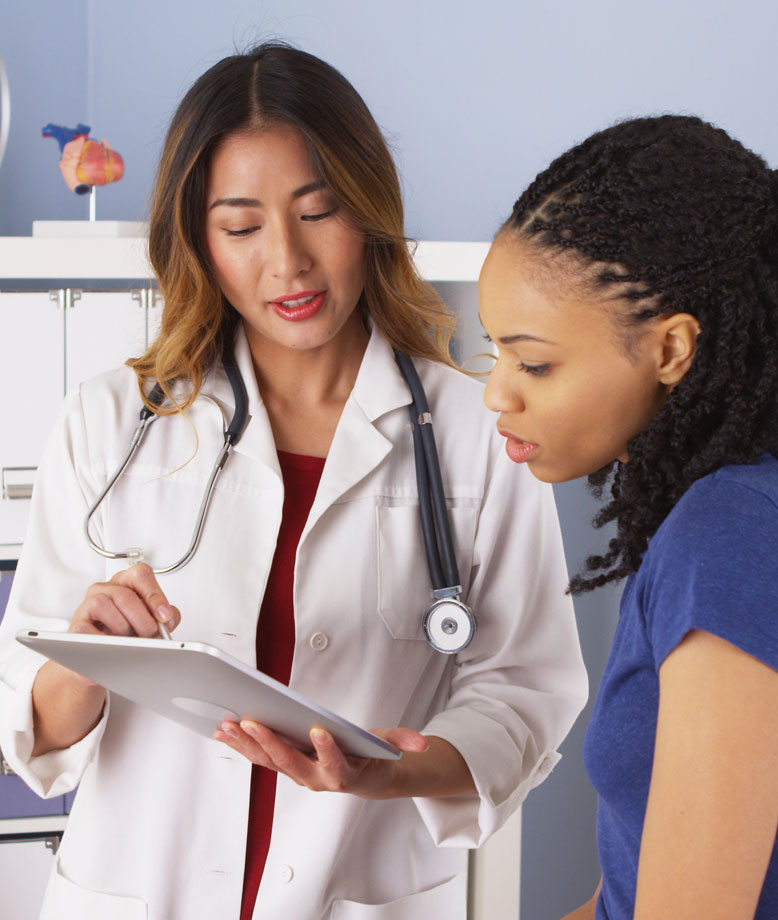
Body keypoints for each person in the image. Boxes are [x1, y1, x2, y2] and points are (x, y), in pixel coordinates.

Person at [0, 43, 587, 920]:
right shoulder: (111, 422)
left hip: (361, 890)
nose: (288, 263)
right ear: (197, 239)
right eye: (241, 227)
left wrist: (394, 771)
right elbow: (30, 725)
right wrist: (88, 654)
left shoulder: (476, 432)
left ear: (371, 211)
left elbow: (526, 686)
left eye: (320, 212)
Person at [478, 114, 778, 920]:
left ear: (673, 350)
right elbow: (627, 895)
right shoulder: (716, 514)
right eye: (495, 353)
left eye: (534, 362)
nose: (497, 394)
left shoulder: (729, 534)